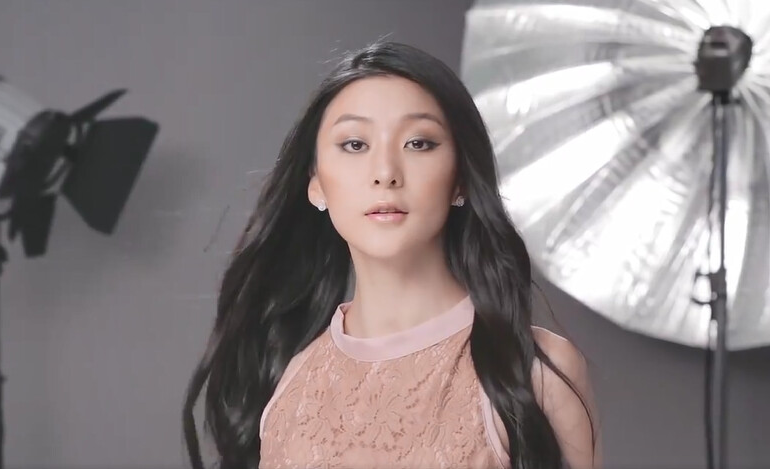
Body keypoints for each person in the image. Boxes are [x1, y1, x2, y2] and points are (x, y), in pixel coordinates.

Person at [183, 41, 600, 469]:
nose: (385, 173)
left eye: (418, 143)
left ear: (460, 179)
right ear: (316, 183)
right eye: (354, 144)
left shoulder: (535, 374)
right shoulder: (285, 384)